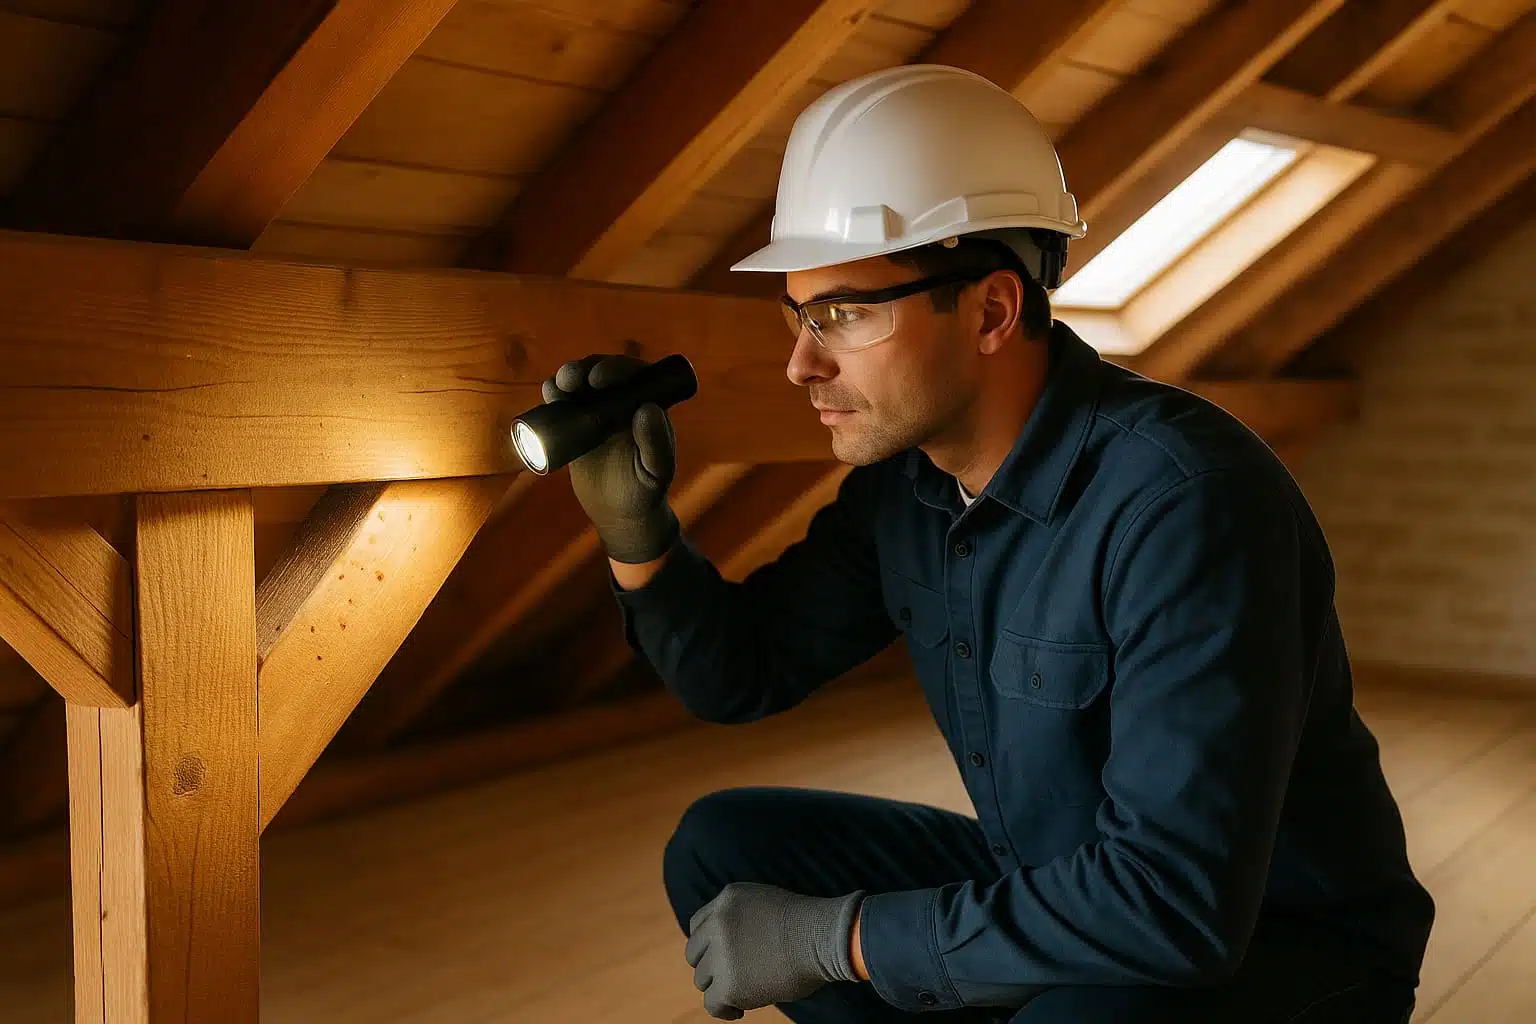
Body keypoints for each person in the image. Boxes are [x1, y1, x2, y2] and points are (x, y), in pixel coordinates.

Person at [539, 65, 1434, 1023]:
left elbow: (1178, 903)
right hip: (1079, 890)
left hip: (1273, 946)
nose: (803, 363)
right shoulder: (908, 490)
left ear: (993, 310)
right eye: (799, 314)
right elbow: (742, 671)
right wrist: (638, 535)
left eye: (846, 312)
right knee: (722, 849)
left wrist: (836, 942)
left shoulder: (1187, 503)